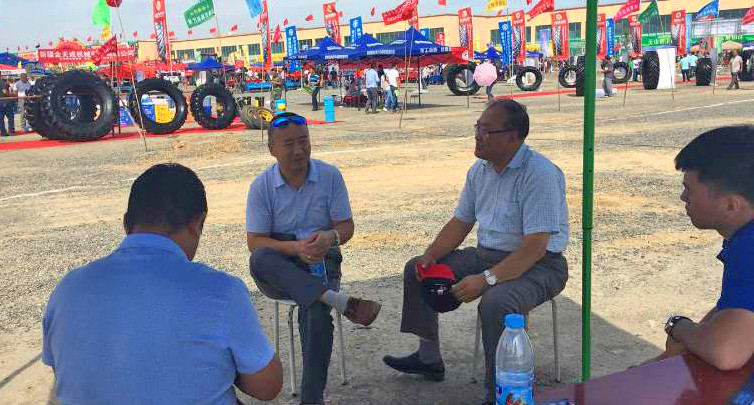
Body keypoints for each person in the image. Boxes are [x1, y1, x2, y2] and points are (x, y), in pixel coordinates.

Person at [42, 163, 283, 404]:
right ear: (197, 224)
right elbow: (267, 386)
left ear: (126, 224)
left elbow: (61, 371)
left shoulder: (67, 289)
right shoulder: (221, 291)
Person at [383, 99, 569, 405]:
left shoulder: (540, 174)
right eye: (477, 128)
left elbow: (534, 248)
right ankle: (429, 357)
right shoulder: (479, 170)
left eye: (486, 130)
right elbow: (461, 222)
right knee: (417, 268)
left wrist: (486, 280)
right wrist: (431, 255)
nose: (478, 136)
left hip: (540, 265)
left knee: (497, 302)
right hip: (486, 255)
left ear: (513, 137)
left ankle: (499, 394)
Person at [247, 112, 382, 405]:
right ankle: (335, 299)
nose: (298, 150)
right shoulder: (261, 186)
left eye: (304, 141)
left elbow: (346, 227)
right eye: (289, 144)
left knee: (316, 312)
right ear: (271, 149)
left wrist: (329, 237)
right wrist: (296, 248)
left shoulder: (330, 176)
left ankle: (311, 399)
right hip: (281, 265)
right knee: (260, 258)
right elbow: (255, 241)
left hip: (322, 259)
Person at [643, 126, 754, 371]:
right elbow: (734, 311)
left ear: (731, 205)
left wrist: (678, 326)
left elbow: (726, 351)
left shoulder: (749, 248)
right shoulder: (744, 239)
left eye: (689, 189)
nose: (683, 197)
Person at [0, 72, 16, 137]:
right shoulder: (2, 82)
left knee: (1, 119)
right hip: (5, 101)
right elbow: (4, 92)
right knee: (10, 117)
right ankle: (11, 131)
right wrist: (12, 95)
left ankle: (3, 132)